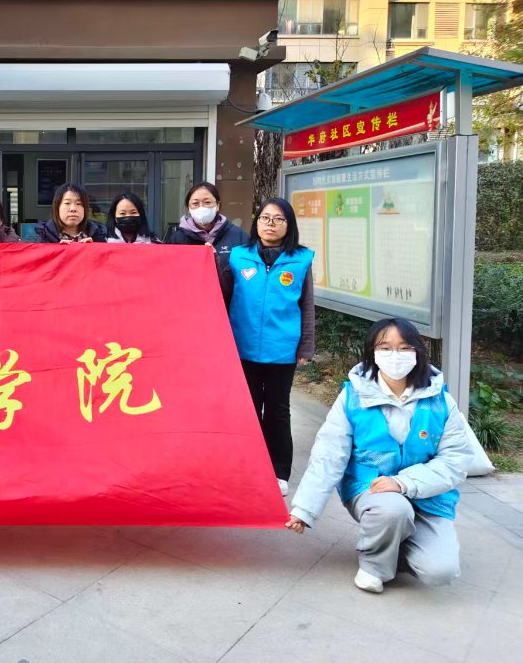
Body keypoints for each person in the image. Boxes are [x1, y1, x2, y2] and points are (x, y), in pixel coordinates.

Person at [286, 318, 473, 594]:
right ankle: (375, 566)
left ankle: (394, 542)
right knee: (393, 510)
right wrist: (304, 509)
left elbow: (455, 460)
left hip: (428, 495)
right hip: (370, 489)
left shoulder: (440, 401)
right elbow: (328, 455)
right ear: (372, 352)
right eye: (385, 347)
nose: (395, 355)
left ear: (417, 352)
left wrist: (403, 483)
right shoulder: (353, 397)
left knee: (440, 571)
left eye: (404, 347)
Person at [221, 197, 315, 497]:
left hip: (281, 351)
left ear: (289, 225)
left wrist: (306, 347)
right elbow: (222, 298)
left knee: (277, 412)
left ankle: (278, 471)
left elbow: (307, 306)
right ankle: (248, 467)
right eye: (264, 218)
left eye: (278, 219)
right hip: (242, 348)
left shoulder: (301, 260)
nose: (270, 224)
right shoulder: (238, 256)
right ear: (256, 222)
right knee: (247, 411)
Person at [166, 182, 248, 267]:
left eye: (207, 202)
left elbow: (246, 269)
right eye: (195, 203)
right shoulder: (177, 239)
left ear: (217, 205)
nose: (201, 207)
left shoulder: (238, 236)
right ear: (189, 207)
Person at [34, 183, 107, 244]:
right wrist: (57, 250)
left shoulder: (98, 235)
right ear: (57, 207)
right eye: (67, 203)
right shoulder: (44, 236)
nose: (73, 209)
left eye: (78, 203)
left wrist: (94, 248)